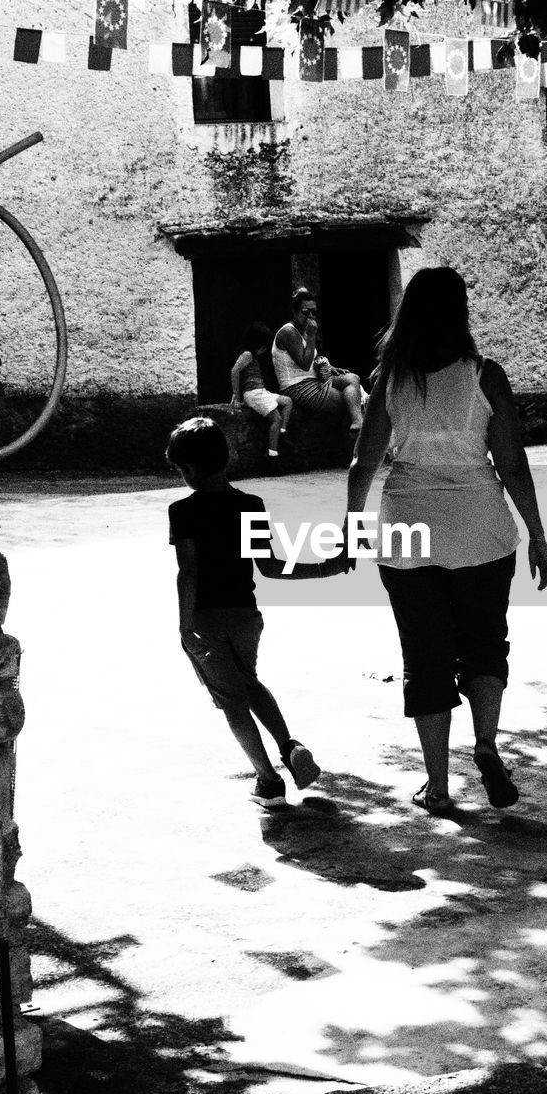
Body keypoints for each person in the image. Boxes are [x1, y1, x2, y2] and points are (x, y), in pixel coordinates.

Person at [344, 267, 547, 816]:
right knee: (486, 642)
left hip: (407, 529)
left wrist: (351, 524)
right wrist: (537, 534)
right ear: (460, 311)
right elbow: (510, 462)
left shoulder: (392, 378)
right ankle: (486, 744)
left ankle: (437, 784)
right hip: (481, 527)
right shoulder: (487, 376)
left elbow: (363, 461)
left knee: (424, 655)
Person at [166, 416, 346, 809]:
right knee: (250, 683)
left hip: (206, 620)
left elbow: (188, 572)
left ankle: (268, 781)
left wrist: (184, 625)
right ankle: (288, 744)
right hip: (246, 617)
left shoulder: (183, 511)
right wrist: (324, 567)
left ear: (190, 469)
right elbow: (271, 565)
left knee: (231, 701)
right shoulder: (251, 505)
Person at [273, 288, 364, 433]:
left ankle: (357, 421)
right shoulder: (288, 332)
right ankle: (354, 435)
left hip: (314, 379)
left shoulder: (304, 330)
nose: (310, 316)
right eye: (305, 312)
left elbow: (314, 357)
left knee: (353, 378)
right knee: (348, 401)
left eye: (313, 312)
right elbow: (304, 363)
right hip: (297, 386)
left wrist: (331, 367)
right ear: (295, 312)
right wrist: (312, 334)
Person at [230, 324, 293, 459]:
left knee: (287, 402)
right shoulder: (247, 354)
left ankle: (282, 432)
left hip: (261, 392)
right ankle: (272, 454)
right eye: (263, 347)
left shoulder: (252, 356)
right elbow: (235, 371)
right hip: (254, 393)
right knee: (276, 419)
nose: (264, 350)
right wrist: (236, 394)